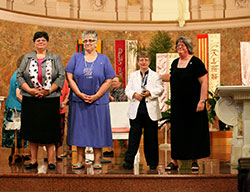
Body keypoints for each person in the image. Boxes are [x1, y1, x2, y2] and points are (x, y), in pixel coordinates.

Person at [65, 30, 115, 169]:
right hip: (79, 100)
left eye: (91, 40)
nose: (87, 43)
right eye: (85, 41)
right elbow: (69, 77)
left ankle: (97, 160)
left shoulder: (103, 59)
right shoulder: (76, 57)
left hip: (98, 101)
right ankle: (80, 160)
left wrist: (97, 95)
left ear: (96, 43)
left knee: (97, 129)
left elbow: (109, 79)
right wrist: (80, 94)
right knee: (80, 129)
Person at [16, 31, 65, 170]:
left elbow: (61, 76)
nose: (41, 43)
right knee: (32, 131)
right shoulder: (27, 58)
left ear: (47, 42)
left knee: (49, 131)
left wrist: (48, 91)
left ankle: (51, 160)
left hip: (50, 100)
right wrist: (30, 90)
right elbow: (19, 76)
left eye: (43, 40)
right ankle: (33, 161)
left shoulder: (55, 58)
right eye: (38, 40)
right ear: (34, 43)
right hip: (31, 100)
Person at [161, 36, 210, 171]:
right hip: (178, 105)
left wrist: (202, 100)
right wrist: (157, 76)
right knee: (177, 132)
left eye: (182, 45)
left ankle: (194, 161)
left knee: (193, 131)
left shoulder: (196, 62)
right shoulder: (175, 62)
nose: (179, 48)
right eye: (177, 46)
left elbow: (204, 82)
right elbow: (172, 77)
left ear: (188, 47)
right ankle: (174, 161)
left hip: (193, 105)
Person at [123, 50, 164, 170]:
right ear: (138, 62)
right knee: (134, 137)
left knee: (151, 138)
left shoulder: (155, 75)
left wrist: (150, 92)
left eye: (146, 60)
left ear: (149, 61)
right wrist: (134, 94)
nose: (144, 62)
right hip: (136, 109)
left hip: (150, 109)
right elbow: (127, 89)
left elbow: (160, 89)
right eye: (141, 60)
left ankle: (152, 163)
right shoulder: (133, 75)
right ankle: (129, 161)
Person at [2, 55, 28, 163]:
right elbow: (18, 95)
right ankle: (18, 154)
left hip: (12, 107)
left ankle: (15, 154)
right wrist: (29, 104)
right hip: (16, 109)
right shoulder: (19, 76)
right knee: (18, 134)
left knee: (14, 134)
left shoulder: (16, 74)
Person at [104, 75, 128, 157]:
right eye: (112, 81)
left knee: (125, 135)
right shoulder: (111, 91)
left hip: (121, 114)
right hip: (112, 114)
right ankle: (109, 149)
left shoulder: (123, 91)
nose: (113, 83)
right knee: (109, 132)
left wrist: (110, 97)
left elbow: (120, 102)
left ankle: (129, 150)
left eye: (115, 81)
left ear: (120, 83)